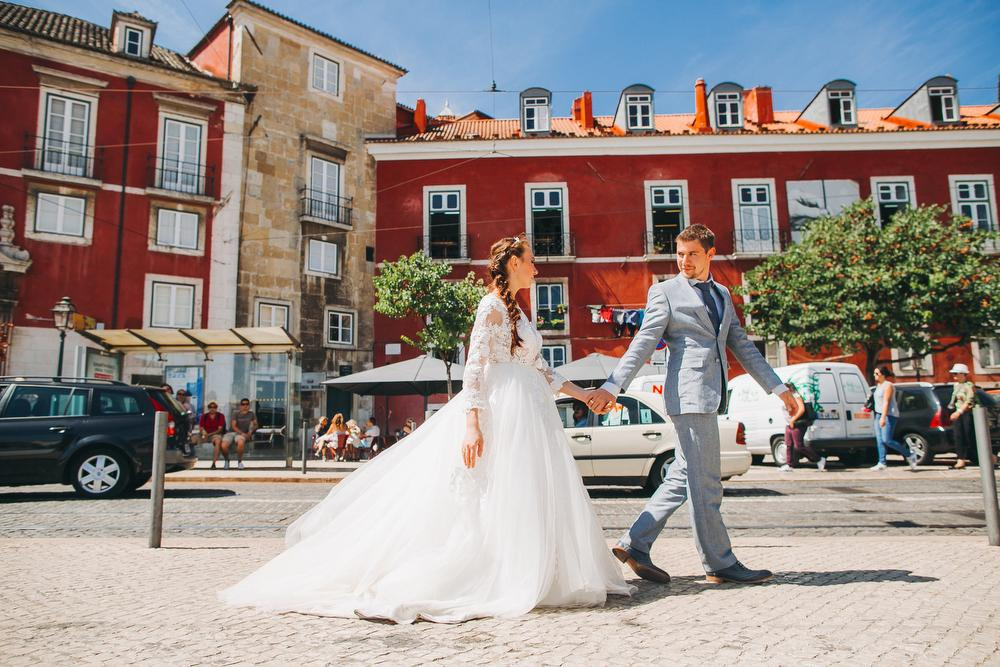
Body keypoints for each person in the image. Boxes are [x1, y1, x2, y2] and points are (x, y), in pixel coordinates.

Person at [219, 234, 632, 623]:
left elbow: (539, 367)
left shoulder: (519, 311)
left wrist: (583, 394)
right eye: (530, 262)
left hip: (529, 408)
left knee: (528, 489)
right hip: (502, 407)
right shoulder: (490, 306)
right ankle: (498, 574)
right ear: (512, 264)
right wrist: (472, 422)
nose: (536, 269)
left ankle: (534, 570)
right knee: (495, 491)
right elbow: (474, 365)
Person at [587, 224, 798, 585]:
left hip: (710, 395)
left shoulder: (722, 294)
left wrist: (779, 388)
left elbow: (742, 345)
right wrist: (613, 385)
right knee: (707, 483)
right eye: (680, 254)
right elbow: (644, 341)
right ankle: (719, 562)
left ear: (710, 254)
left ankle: (635, 543)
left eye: (692, 254)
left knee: (683, 475)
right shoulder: (665, 292)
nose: (684, 261)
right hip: (689, 396)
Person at [870, 366, 919, 471]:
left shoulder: (888, 386)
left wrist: (883, 417)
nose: (874, 375)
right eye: (874, 373)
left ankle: (909, 454)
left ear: (883, 375)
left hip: (889, 415)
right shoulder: (878, 386)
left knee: (886, 440)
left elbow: (886, 402)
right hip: (878, 414)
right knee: (879, 440)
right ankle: (882, 462)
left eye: (877, 373)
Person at [779, 382, 826, 472]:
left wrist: (793, 420)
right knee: (789, 445)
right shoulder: (787, 397)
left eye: (785, 389)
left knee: (799, 446)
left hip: (797, 424)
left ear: (790, 389)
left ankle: (819, 459)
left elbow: (802, 409)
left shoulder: (796, 396)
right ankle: (789, 465)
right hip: (789, 424)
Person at [948, 363, 978, 469]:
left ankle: (991, 458)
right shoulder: (956, 386)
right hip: (958, 414)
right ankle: (960, 460)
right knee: (958, 437)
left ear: (962, 374)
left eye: (955, 373)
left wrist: (959, 412)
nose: (954, 375)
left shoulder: (969, 386)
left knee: (970, 437)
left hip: (967, 414)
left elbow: (969, 401)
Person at [221, 398, 257, 470]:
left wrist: (250, 432)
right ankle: (227, 460)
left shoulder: (251, 414)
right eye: (243, 404)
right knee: (224, 445)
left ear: (249, 405)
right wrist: (242, 433)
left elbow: (255, 425)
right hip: (232, 432)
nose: (245, 406)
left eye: (247, 404)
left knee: (240, 442)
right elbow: (233, 426)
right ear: (240, 405)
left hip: (242, 434)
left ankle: (239, 462)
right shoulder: (236, 413)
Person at [199, 402, 227, 469]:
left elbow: (219, 429)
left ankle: (214, 463)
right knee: (192, 439)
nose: (212, 408)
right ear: (208, 408)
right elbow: (201, 427)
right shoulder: (204, 416)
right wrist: (204, 432)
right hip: (205, 434)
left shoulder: (220, 416)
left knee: (218, 442)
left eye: (214, 407)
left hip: (215, 434)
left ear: (216, 408)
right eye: (210, 407)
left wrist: (209, 435)